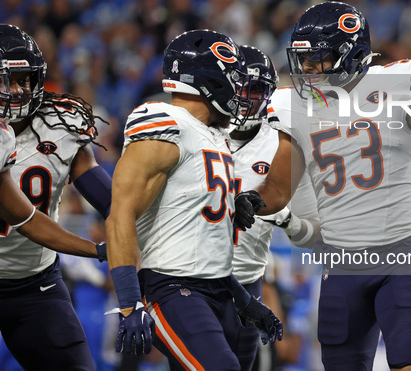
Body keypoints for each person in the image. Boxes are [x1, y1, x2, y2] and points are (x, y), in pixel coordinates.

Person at [233, 1, 411, 370]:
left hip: (402, 255)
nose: (306, 69)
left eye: (316, 59)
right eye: (302, 59)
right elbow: (278, 186)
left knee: (408, 363)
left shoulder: (396, 84)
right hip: (341, 263)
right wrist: (251, 202)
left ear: (350, 53)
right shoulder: (292, 108)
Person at [106, 30, 282, 370]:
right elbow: (120, 215)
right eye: (233, 80)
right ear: (210, 80)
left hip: (217, 289)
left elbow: (203, 240)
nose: (238, 91)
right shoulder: (166, 122)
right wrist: (129, 303)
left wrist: (245, 300)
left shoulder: (214, 135)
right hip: (172, 289)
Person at [0, 24, 111, 370]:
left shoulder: (61, 123)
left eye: (25, 80)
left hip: (35, 284)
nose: (18, 90)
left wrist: (140, 219)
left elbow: (104, 194)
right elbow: (28, 222)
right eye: (7, 80)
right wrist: (98, 251)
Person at [230, 45, 320, 370]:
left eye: (254, 88)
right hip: (193, 278)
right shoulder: (197, 133)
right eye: (237, 84)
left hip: (251, 280)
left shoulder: (283, 141)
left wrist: (282, 215)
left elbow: (315, 231)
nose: (244, 95)